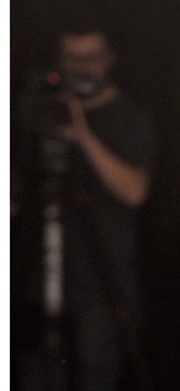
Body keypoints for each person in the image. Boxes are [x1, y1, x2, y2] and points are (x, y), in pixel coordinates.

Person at [11, 24, 157, 390]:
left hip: (100, 290)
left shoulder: (128, 118)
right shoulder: (39, 116)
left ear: (108, 60)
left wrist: (83, 136)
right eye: (72, 59)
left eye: (91, 58)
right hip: (36, 286)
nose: (82, 68)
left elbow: (134, 192)